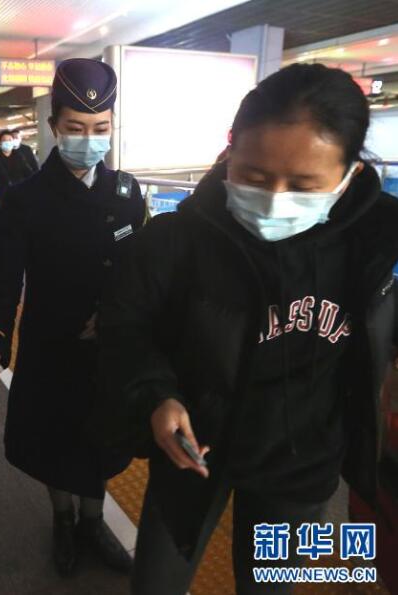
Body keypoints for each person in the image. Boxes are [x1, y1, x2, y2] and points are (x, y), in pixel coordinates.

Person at [93, 63, 398, 594]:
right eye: (253, 176)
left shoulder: (376, 243)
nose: (275, 198)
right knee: (157, 583)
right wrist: (156, 396)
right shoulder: (176, 239)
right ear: (229, 151)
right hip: (191, 448)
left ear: (349, 175)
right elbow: (125, 326)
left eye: (303, 185)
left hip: (302, 460)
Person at [0, 58, 147, 577]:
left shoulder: (127, 193)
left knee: (102, 441)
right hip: (50, 347)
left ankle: (93, 522)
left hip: (108, 349)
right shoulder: (26, 200)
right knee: (55, 442)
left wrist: (117, 316)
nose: (89, 139)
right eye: (76, 128)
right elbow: (2, 282)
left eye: (100, 128)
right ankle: (63, 520)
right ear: (54, 126)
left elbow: (141, 270)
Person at [0, 130, 36, 220]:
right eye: (4, 140)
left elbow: (28, 172)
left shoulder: (19, 157)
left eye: (10, 140)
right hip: (2, 195)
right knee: (4, 218)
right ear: (0, 143)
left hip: (18, 194)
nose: (7, 142)